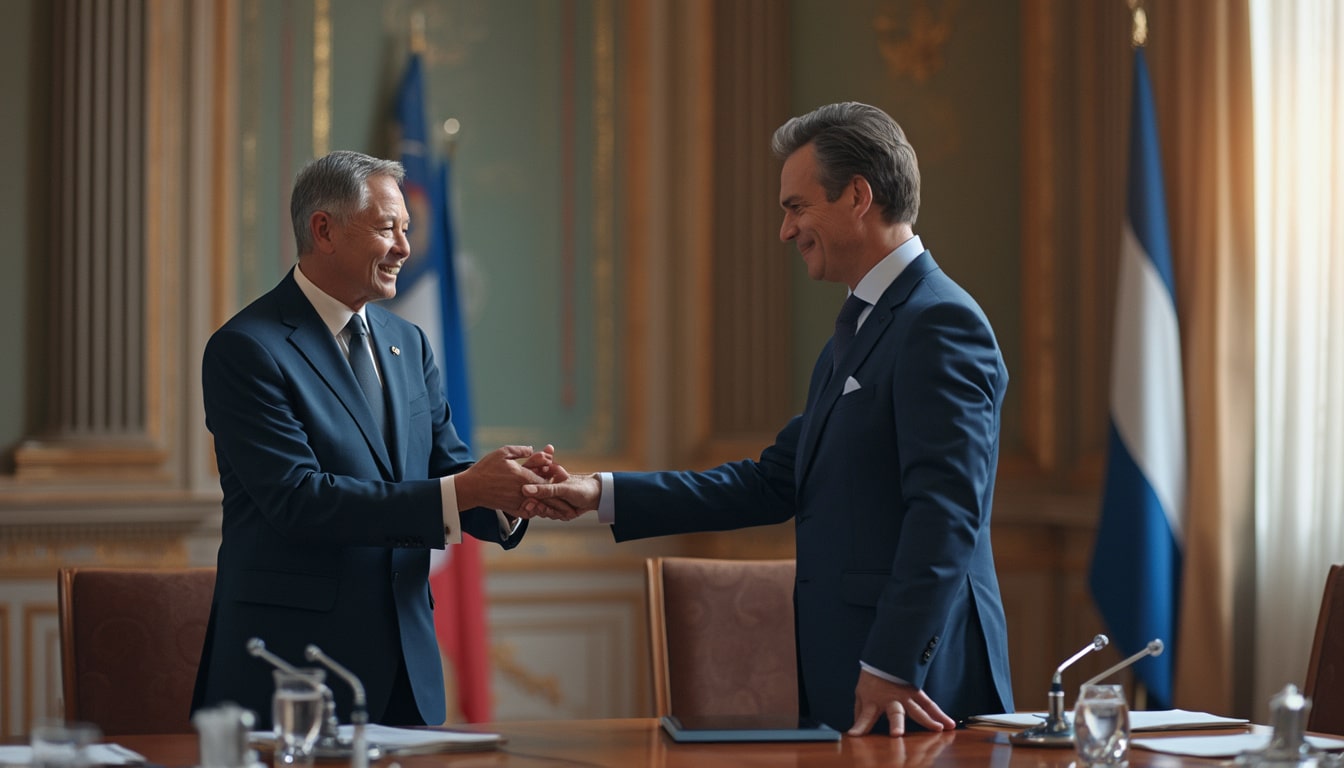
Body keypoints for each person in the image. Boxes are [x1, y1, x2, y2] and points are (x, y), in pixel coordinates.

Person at [522, 102, 1014, 736]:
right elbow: (773, 481)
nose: (786, 231)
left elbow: (948, 512)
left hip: (918, 687)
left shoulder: (939, 322)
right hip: (854, 673)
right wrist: (600, 493)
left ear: (858, 196)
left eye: (796, 207)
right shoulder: (859, 330)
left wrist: (893, 663)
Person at [192, 150, 556, 728]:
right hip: (294, 671)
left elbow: (446, 470)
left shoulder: (408, 342)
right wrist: (466, 489)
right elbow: (299, 500)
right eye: (388, 228)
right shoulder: (248, 349)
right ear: (323, 230)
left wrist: (514, 495)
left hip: (406, 670)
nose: (406, 248)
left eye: (406, 231)